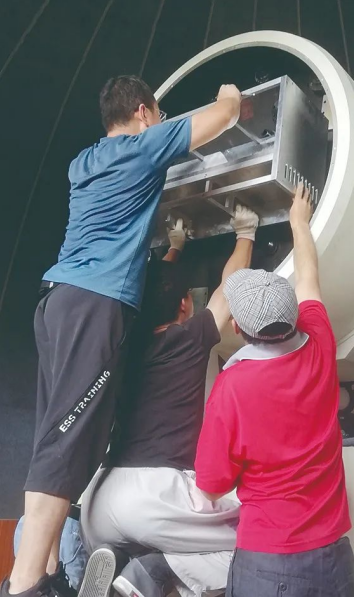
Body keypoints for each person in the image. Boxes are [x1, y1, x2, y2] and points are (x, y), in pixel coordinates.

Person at [0, 75, 243, 597]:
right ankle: (24, 586)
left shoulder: (82, 162)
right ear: (143, 112)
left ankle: (47, 572)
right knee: (67, 440)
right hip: (96, 302)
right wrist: (228, 94)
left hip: (57, 300)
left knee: (59, 437)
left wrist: (172, 244)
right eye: (159, 114)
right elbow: (225, 117)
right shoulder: (143, 146)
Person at [78, 205, 260, 597]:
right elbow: (229, 291)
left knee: (159, 547)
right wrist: (246, 232)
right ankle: (152, 569)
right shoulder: (187, 339)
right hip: (152, 497)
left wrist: (176, 246)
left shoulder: (122, 345)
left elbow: (155, 289)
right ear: (184, 304)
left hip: (99, 501)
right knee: (262, 532)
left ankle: (117, 569)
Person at [195, 185, 354, 597]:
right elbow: (308, 277)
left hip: (269, 563)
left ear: (238, 328)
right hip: (334, 555)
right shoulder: (320, 341)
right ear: (294, 314)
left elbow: (212, 486)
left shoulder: (232, 388)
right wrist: (299, 221)